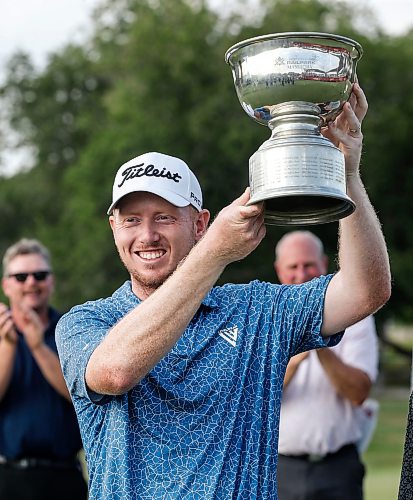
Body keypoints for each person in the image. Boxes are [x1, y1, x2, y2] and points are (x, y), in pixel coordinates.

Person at [56, 84, 391, 499]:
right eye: (131, 220)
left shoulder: (254, 310)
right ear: (113, 228)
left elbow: (365, 291)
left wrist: (348, 176)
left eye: (164, 217)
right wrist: (214, 252)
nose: (147, 235)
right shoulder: (85, 322)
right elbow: (115, 372)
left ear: (199, 224)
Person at [274, 230, 379, 500]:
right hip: (280, 468)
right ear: (279, 270)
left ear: (322, 264)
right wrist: (297, 357)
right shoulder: (267, 320)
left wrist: (320, 341)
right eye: (293, 267)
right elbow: (256, 396)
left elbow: (359, 393)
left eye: (308, 264)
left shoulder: (355, 316)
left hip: (338, 468)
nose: (301, 273)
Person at [0, 238, 88, 500]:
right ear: (6, 285)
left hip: (64, 477)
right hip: (8, 477)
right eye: (20, 276)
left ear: (51, 281)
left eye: (39, 275)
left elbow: (81, 393)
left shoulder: (73, 330)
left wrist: (38, 347)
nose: (31, 283)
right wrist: (7, 347)